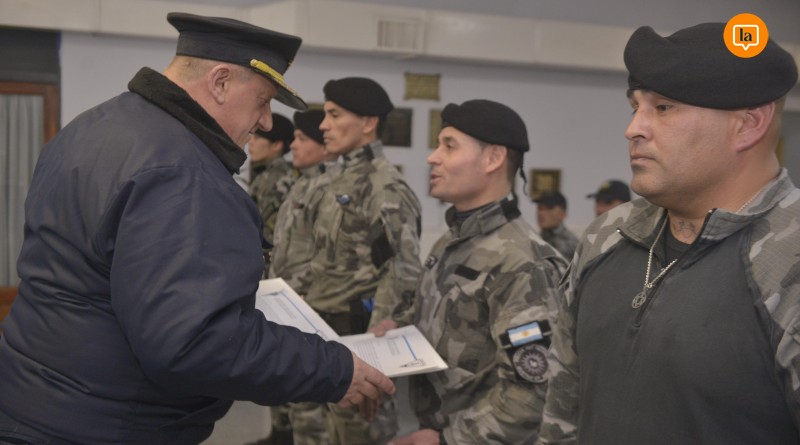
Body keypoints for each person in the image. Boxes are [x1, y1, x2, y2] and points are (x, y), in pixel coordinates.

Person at [0, 12, 395, 445]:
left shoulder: (91, 127)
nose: (266, 121)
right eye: (263, 100)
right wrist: (333, 369)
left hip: (35, 399)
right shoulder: (182, 171)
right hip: (107, 424)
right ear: (220, 82)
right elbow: (195, 342)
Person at [538, 22, 800, 445]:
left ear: (748, 124)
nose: (633, 128)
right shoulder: (608, 235)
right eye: (635, 107)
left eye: (663, 108)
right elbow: (562, 410)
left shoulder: (789, 258)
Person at [380, 99, 568, 444]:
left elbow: (530, 395)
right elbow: (442, 312)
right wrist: (398, 325)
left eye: (449, 146)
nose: (432, 157)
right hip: (434, 425)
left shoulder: (523, 262)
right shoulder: (454, 241)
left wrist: (447, 441)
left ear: (493, 158)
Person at [308, 77, 423, 444]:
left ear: (368, 123)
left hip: (358, 342)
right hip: (328, 339)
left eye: (334, 115)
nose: (323, 125)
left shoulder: (382, 186)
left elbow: (400, 271)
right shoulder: (341, 179)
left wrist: (375, 360)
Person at [266, 108, 341, 445]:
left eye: (301, 139)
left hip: (309, 306)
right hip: (285, 303)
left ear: (324, 146)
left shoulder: (330, 189)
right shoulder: (303, 184)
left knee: (312, 406)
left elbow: (329, 253)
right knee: (293, 394)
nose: (293, 145)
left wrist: (308, 294)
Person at [250, 112, 297, 245]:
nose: (251, 142)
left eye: (257, 138)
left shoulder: (275, 178)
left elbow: (261, 227)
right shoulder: (268, 174)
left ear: (277, 145)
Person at [534, 190, 579, 259]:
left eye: (548, 208)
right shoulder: (535, 239)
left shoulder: (571, 244)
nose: (541, 213)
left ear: (563, 214)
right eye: (540, 208)